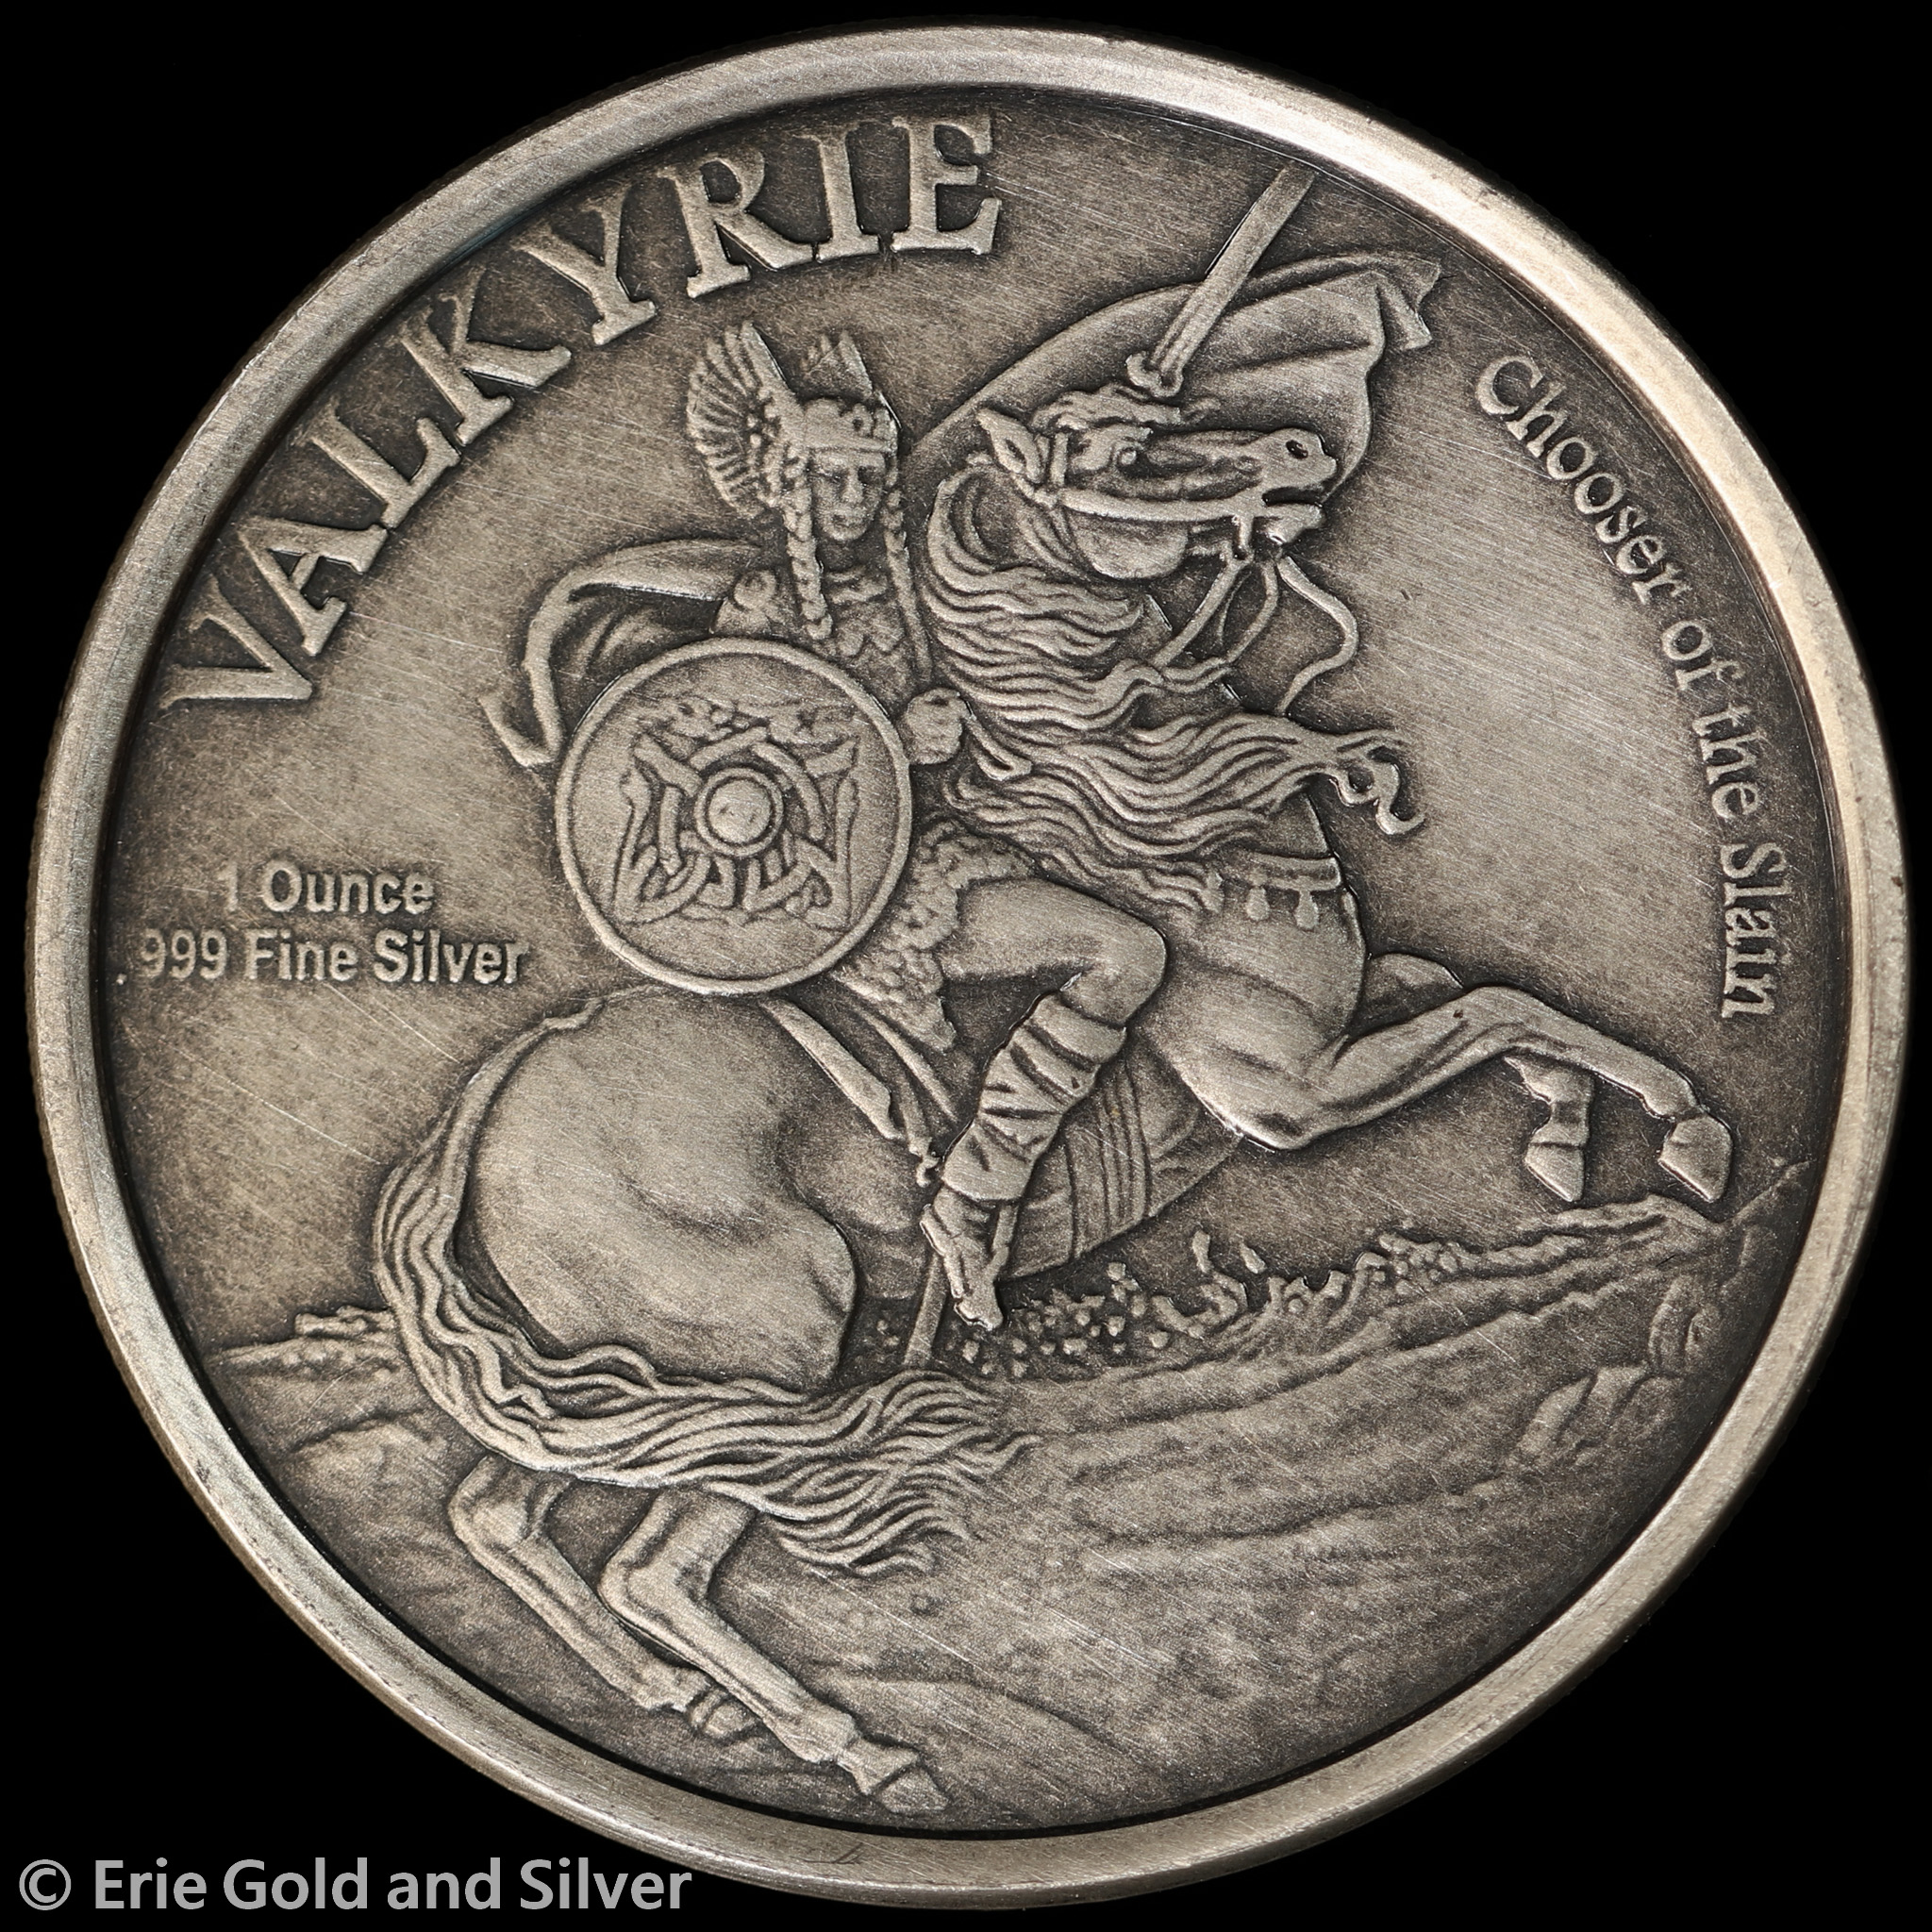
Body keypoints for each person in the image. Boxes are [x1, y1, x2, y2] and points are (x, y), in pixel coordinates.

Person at [684, 325, 1169, 1329]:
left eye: (868, 480)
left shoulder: (900, 595)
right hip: (847, 891)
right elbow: (729, 794)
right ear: (788, 486)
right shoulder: (761, 610)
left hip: (945, 846)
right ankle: (976, 1193)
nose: (853, 499)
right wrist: (893, 747)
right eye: (831, 480)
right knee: (1126, 954)